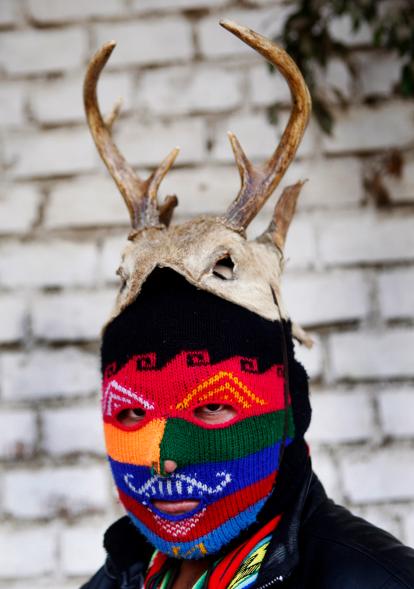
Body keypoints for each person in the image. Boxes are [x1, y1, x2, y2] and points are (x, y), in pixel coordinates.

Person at [80, 20, 414, 589]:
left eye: (213, 409)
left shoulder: (374, 578)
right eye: (133, 413)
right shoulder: (122, 576)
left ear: (290, 412)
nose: (165, 458)